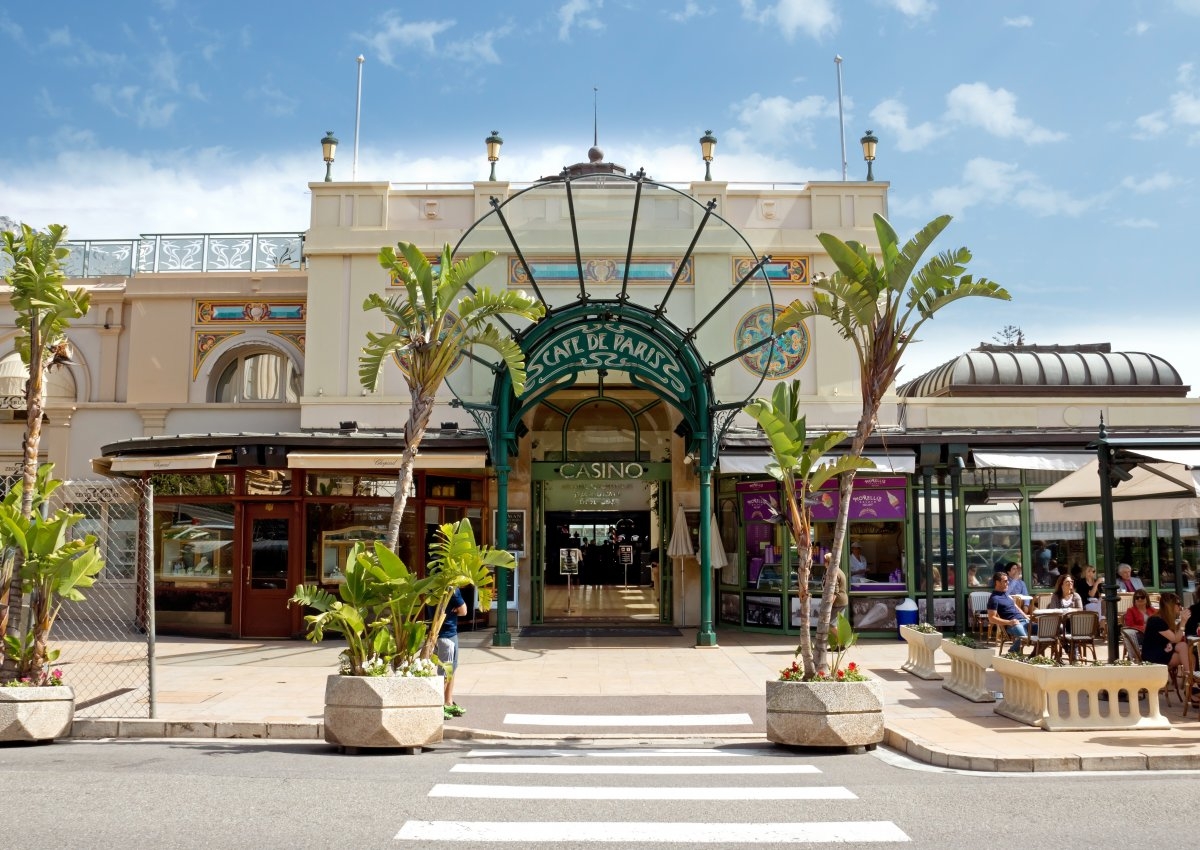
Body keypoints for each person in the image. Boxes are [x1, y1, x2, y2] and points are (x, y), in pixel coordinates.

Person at [1142, 592, 1191, 682]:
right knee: (1191, 658)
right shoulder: (1156, 621)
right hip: (1153, 655)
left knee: (1184, 647)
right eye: (1178, 604)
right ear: (1170, 605)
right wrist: (1183, 622)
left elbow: (1173, 639)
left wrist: (1170, 642)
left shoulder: (1164, 619)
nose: (1180, 606)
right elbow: (1176, 638)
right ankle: (1191, 683)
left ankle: (1190, 682)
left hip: (1162, 650)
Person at [436, 587, 469, 719]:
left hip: (441, 633)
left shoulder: (433, 587)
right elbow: (464, 611)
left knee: (451, 669)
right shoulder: (452, 589)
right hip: (447, 634)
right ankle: (439, 706)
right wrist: (456, 610)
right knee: (445, 671)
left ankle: (448, 702)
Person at [987, 570, 1030, 653]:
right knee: (1024, 637)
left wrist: (1026, 617)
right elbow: (991, 618)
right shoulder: (994, 599)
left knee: (1045, 633)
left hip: (1024, 621)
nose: (1008, 583)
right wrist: (1009, 622)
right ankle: (1012, 652)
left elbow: (1017, 607)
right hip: (1012, 625)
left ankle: (1034, 654)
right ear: (997, 582)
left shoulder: (1007, 594)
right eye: (1005, 581)